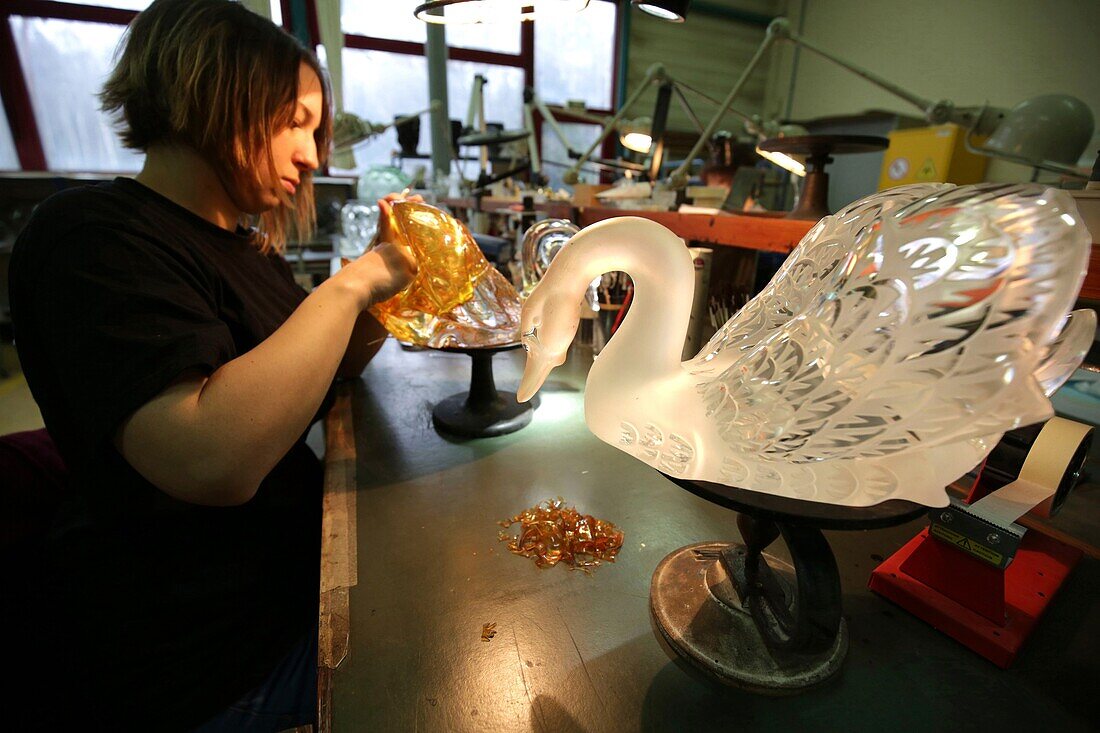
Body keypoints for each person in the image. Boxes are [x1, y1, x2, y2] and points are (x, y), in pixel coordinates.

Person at [3, 0, 416, 729]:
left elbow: (318, 380)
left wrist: (381, 302)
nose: (313, 156)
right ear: (216, 91)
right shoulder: (93, 235)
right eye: (296, 121)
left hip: (292, 593)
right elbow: (211, 459)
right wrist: (352, 284)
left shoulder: (245, 245)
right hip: (214, 662)